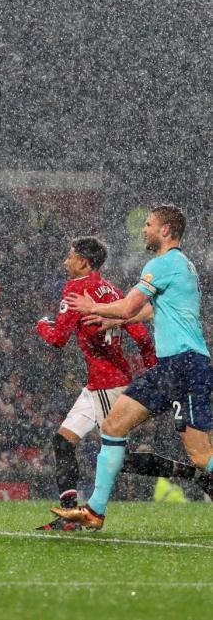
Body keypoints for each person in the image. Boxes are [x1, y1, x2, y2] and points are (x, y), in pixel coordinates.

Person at [52, 205, 213, 530]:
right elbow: (149, 311)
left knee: (200, 456)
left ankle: (95, 510)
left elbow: (130, 304)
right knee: (112, 427)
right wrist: (114, 316)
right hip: (171, 367)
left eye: (149, 224)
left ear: (165, 230)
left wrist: (93, 306)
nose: (144, 229)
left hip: (188, 365)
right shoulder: (180, 265)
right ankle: (94, 512)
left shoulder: (163, 263)